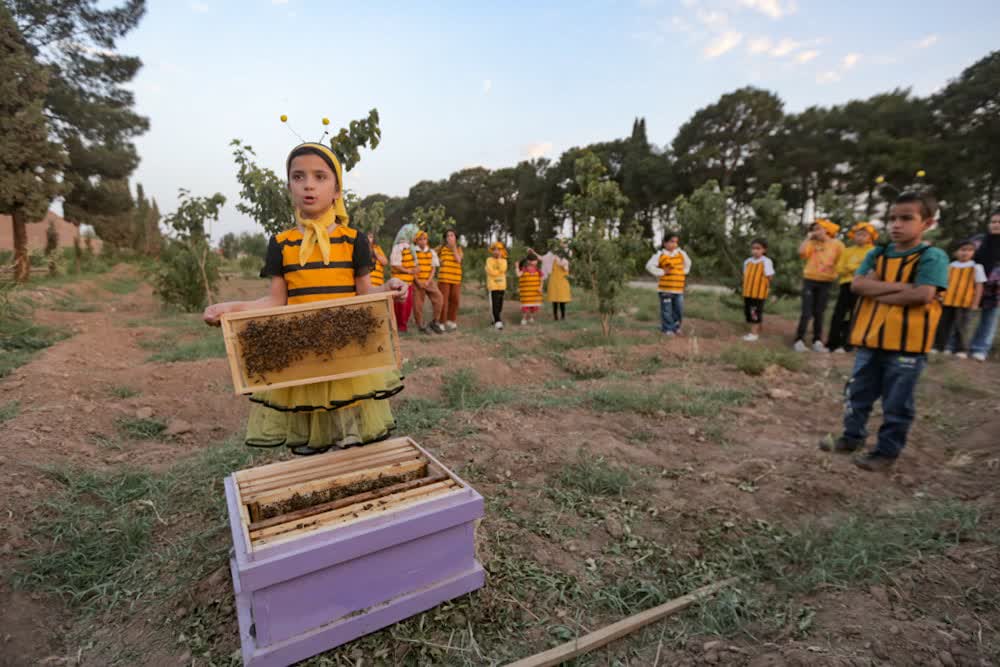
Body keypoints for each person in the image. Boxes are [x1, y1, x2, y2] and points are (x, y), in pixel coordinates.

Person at [202, 142, 408, 455]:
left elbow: (365, 295)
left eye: (320, 177)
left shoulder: (354, 240)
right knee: (311, 445)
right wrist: (230, 308)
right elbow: (275, 302)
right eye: (298, 177)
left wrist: (390, 287)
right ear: (289, 187)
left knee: (350, 441)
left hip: (347, 357)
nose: (308, 185)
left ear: (337, 190)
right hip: (302, 357)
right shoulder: (281, 244)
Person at [821, 191, 949, 472]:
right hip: (869, 341)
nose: (896, 225)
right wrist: (905, 287)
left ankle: (886, 452)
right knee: (857, 393)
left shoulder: (932, 257)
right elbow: (857, 286)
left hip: (907, 347)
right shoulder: (877, 253)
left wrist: (877, 289)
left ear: (927, 223)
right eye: (892, 218)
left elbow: (923, 295)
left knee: (897, 403)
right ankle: (852, 437)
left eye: (906, 218)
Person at [794, 219, 844, 352]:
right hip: (810, 280)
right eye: (813, 229)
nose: (815, 232)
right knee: (806, 312)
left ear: (826, 230)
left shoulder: (837, 244)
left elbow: (842, 261)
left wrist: (837, 273)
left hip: (826, 282)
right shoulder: (811, 243)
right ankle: (799, 340)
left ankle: (817, 341)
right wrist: (807, 238)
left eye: (818, 229)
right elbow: (801, 253)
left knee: (819, 312)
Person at [827, 222, 877, 353]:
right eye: (858, 234)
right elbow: (839, 268)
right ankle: (832, 343)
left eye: (864, 235)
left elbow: (871, 268)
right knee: (838, 313)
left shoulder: (873, 251)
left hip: (862, 286)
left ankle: (848, 344)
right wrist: (856, 267)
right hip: (846, 285)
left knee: (856, 314)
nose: (860, 237)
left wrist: (851, 267)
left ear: (870, 237)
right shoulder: (847, 250)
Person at [933, 239, 986, 357]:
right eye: (963, 250)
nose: (966, 253)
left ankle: (961, 350)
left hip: (965, 303)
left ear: (973, 253)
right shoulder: (950, 266)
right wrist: (939, 296)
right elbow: (943, 283)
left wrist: (975, 303)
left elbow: (979, 286)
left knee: (962, 327)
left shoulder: (976, 267)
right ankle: (939, 346)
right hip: (947, 301)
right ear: (956, 252)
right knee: (942, 325)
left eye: (970, 250)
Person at [644, 232, 692, 337]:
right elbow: (649, 266)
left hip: (678, 290)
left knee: (678, 309)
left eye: (676, 242)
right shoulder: (660, 255)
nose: (674, 244)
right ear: (665, 243)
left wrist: (682, 272)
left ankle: (676, 327)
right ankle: (668, 329)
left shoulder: (681, 253)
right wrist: (662, 272)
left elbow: (688, 263)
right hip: (665, 290)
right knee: (667, 310)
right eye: (671, 242)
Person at [970, 210, 1000, 361]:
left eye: (999, 222)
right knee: (963, 315)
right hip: (973, 284)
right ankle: (954, 345)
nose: (996, 225)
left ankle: (980, 349)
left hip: (996, 288)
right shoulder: (978, 240)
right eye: (993, 221)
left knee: (989, 319)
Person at [410, 230, 445, 334]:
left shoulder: (431, 252)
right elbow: (411, 268)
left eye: (425, 239)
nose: (423, 241)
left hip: (428, 280)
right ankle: (420, 324)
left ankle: (435, 321)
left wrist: (428, 281)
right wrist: (418, 282)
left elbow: (433, 268)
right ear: (416, 241)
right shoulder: (413, 252)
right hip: (417, 281)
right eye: (420, 239)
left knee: (439, 298)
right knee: (418, 304)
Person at [741, 238, 774, 342]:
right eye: (753, 248)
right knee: (748, 311)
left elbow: (770, 276)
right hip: (748, 292)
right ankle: (758, 327)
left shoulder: (766, 261)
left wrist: (765, 287)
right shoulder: (747, 261)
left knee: (754, 312)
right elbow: (745, 275)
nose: (755, 251)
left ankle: (754, 334)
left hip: (758, 293)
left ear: (764, 250)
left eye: (758, 248)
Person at [389, 223, 419, 333]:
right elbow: (395, 264)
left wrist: (415, 269)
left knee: (407, 305)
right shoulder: (398, 247)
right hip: (400, 282)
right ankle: (399, 327)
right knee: (401, 305)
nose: (415, 237)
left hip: (408, 282)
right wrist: (409, 271)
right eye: (414, 234)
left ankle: (403, 325)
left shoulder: (410, 248)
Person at [437, 228, 463, 331]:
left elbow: (458, 260)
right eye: (447, 236)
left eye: (452, 235)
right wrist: (438, 261)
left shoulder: (459, 249)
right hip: (444, 278)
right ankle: (441, 321)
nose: (450, 237)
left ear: (456, 238)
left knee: (455, 300)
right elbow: (431, 254)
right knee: (443, 301)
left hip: (456, 278)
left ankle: (451, 320)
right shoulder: (441, 248)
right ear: (445, 238)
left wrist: (453, 248)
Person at [516, 252, 543, 325]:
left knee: (533, 306)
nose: (536, 262)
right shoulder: (524, 269)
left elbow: (541, 279)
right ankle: (524, 318)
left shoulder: (537, 270)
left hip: (534, 292)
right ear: (529, 261)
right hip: (526, 292)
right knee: (525, 306)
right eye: (535, 260)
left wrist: (540, 287)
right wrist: (517, 267)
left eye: (536, 260)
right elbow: (518, 275)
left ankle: (531, 317)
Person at [485, 241, 508, 330]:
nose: (496, 251)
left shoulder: (504, 261)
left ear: (502, 251)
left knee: (500, 305)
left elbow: (503, 269)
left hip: (502, 285)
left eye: (498, 249)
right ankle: (498, 321)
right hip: (493, 285)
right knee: (494, 304)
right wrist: (498, 272)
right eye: (494, 249)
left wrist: (499, 259)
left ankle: (495, 319)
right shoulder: (489, 260)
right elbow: (490, 271)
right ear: (492, 251)